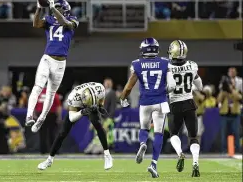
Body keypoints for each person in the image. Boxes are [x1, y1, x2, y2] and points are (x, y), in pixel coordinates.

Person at [120, 38, 176, 178]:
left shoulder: (137, 64)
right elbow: (172, 85)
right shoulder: (165, 62)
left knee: (144, 128)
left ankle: (143, 143)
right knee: (159, 133)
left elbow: (128, 87)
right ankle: (153, 164)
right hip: (161, 102)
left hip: (145, 102)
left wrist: (122, 99)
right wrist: (164, 92)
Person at [25, 0, 79, 133]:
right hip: (47, 58)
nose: (56, 10)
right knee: (38, 86)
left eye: (59, 8)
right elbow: (36, 24)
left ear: (65, 10)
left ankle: (42, 118)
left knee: (51, 93)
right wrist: (38, 8)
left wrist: (53, 8)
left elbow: (65, 23)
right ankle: (29, 115)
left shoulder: (72, 20)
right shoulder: (49, 20)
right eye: (56, 8)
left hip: (60, 63)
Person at [37, 82, 113, 170]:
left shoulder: (100, 88)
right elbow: (72, 118)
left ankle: (107, 155)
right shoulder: (74, 97)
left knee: (98, 125)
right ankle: (49, 160)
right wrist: (82, 112)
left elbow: (101, 101)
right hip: (78, 107)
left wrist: (100, 106)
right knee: (62, 133)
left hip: (92, 104)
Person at [167, 40, 203, 177]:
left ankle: (180, 153)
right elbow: (199, 87)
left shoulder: (167, 67)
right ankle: (195, 162)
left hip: (175, 104)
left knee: (174, 134)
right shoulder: (192, 65)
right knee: (193, 137)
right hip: (189, 104)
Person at [217, 75, 242, 153]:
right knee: (224, 134)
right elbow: (218, 100)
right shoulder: (223, 92)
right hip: (225, 115)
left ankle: (237, 150)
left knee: (236, 133)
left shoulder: (237, 91)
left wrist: (231, 90)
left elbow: (239, 98)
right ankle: (224, 151)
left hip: (235, 115)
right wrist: (223, 91)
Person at [35, 86, 62, 154]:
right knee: (52, 133)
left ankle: (43, 150)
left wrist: (34, 115)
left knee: (42, 134)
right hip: (51, 114)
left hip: (40, 114)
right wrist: (59, 117)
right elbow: (58, 106)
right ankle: (53, 151)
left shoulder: (39, 93)